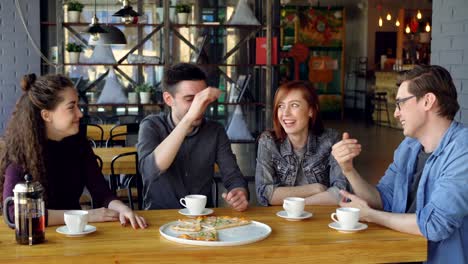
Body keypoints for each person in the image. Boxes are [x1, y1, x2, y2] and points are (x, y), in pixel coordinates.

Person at [331, 65, 468, 263]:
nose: (396, 113)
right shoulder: (409, 147)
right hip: (401, 252)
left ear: (428, 101)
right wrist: (349, 169)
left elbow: (436, 225)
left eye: (401, 103)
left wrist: (371, 215)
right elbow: (383, 198)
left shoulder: (462, 150)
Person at [0, 74, 147, 229]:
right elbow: (14, 214)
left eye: (78, 106)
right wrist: (85, 215)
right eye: (72, 107)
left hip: (75, 233)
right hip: (37, 240)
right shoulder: (21, 152)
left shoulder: (78, 144)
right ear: (46, 115)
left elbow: (102, 193)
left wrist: (122, 208)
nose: (80, 113)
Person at [137, 63, 249, 211]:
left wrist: (239, 192)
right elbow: (150, 172)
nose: (199, 107)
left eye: (202, 99)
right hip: (159, 217)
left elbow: (233, 176)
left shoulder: (215, 130)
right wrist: (188, 120)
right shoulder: (152, 125)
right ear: (169, 99)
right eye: (190, 99)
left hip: (202, 218)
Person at [255, 80, 349, 206]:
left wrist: (298, 205)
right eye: (281, 106)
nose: (285, 113)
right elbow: (264, 194)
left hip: (322, 220)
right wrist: (315, 189)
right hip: (281, 219)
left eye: (294, 105)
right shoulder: (268, 142)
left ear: (311, 110)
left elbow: (342, 193)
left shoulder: (330, 140)